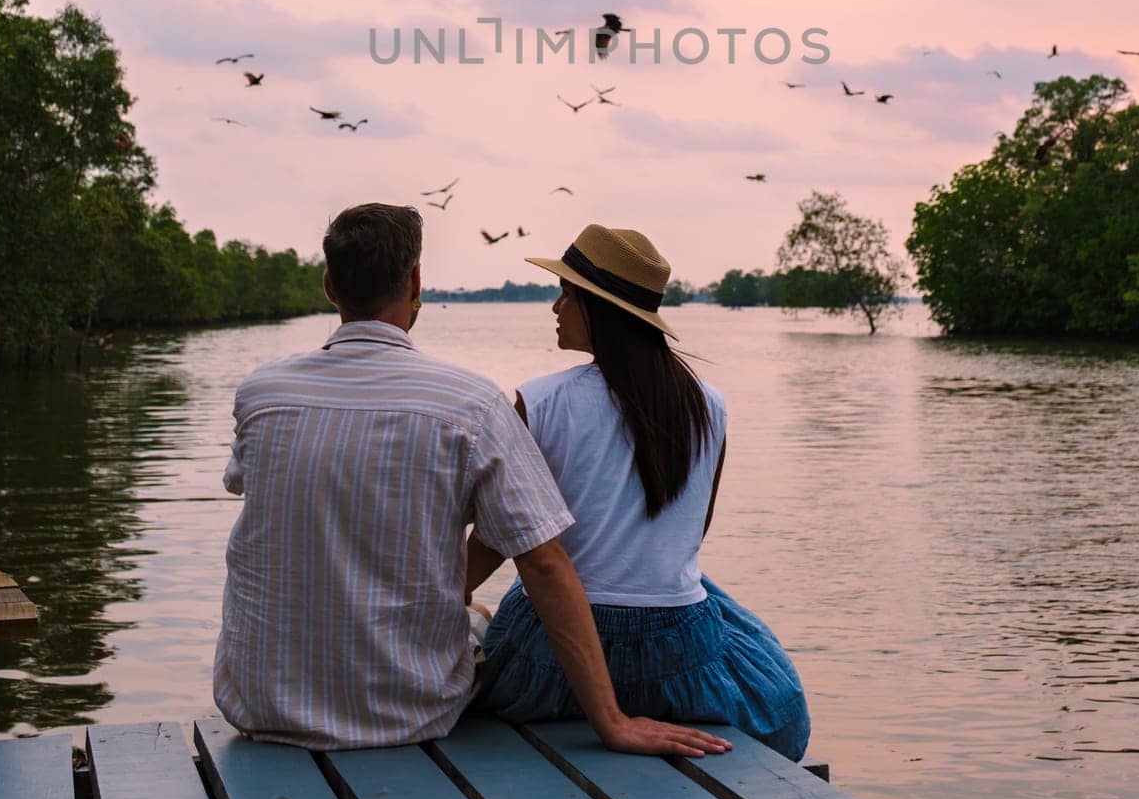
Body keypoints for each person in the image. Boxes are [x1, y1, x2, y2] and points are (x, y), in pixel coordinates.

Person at [212, 202, 730, 758]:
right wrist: (613, 722)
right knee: (478, 618)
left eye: (566, 292)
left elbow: (258, 487)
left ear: (329, 285)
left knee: (476, 612)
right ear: (416, 282)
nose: (556, 305)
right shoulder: (471, 405)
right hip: (408, 710)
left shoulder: (261, 393)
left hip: (258, 703)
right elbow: (548, 561)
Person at [468, 223, 810, 761]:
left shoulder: (540, 403)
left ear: (597, 308)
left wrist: (446, 596)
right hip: (678, 655)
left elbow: (493, 542)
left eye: (567, 295)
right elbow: (689, 533)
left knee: (495, 613)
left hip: (554, 659)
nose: (555, 307)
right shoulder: (708, 405)